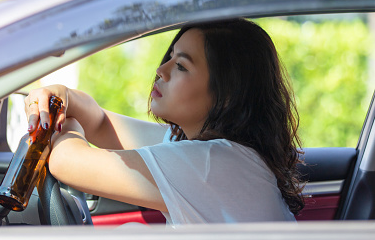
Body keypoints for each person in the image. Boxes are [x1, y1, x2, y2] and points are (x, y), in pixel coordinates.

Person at [24, 18, 304, 225]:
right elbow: (100, 124)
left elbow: (68, 163)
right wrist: (63, 97)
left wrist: (59, 117)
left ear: (228, 93)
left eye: (181, 66)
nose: (161, 70)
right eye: (170, 58)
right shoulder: (211, 151)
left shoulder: (211, 164)